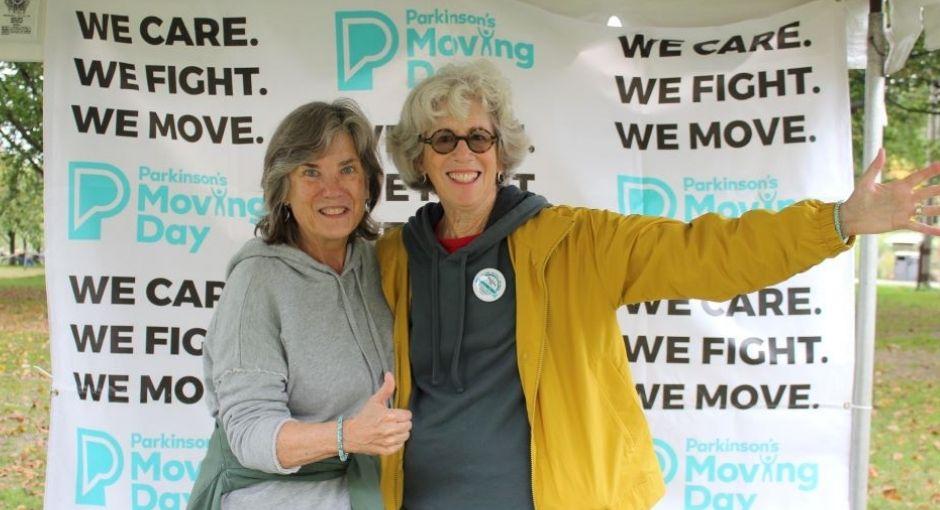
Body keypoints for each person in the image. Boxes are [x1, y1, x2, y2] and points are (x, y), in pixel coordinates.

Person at [376, 59, 940, 509]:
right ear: (419, 159)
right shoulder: (395, 257)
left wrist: (838, 222)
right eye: (443, 139)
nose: (463, 153)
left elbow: (709, 253)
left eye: (479, 137)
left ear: (501, 153)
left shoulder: (575, 241)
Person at [190, 100, 412, 510]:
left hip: (368, 494)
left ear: (368, 183)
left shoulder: (380, 263)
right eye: (311, 172)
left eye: (347, 169)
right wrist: (347, 436)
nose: (333, 189)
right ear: (283, 188)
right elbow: (249, 433)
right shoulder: (256, 280)